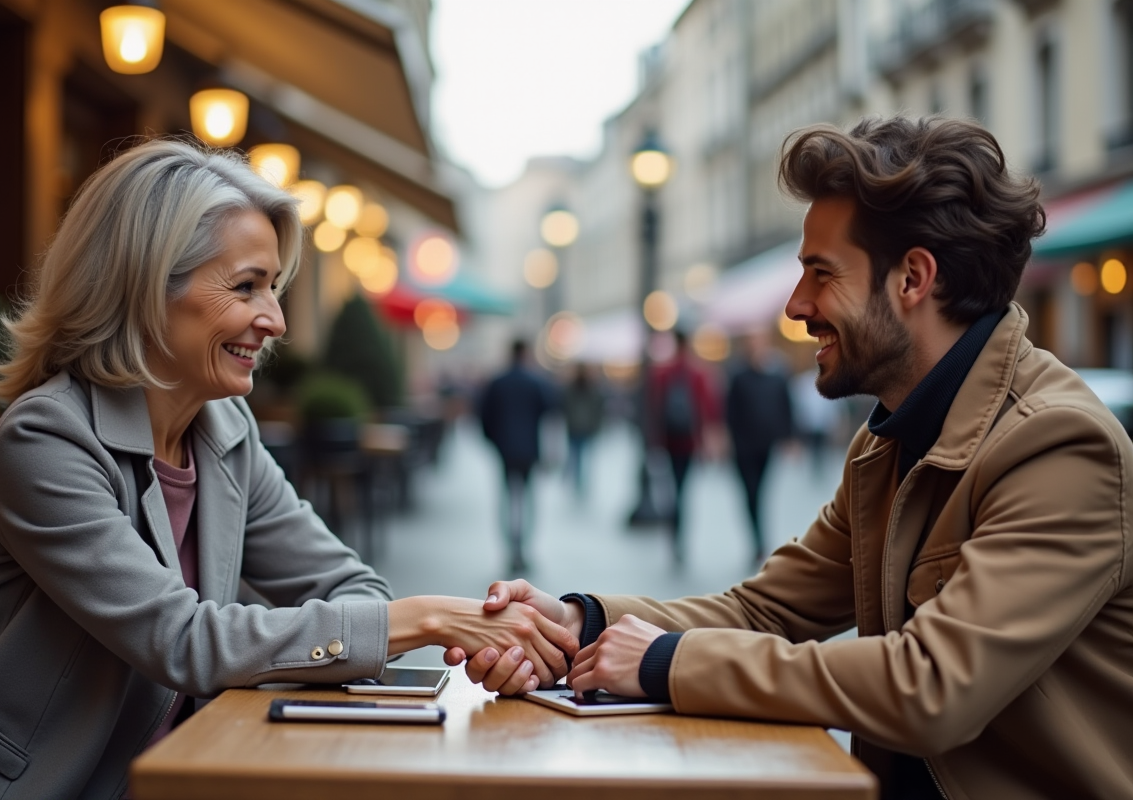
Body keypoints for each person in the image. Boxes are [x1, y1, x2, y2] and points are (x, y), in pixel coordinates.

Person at [452, 116, 1133, 799]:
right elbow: (765, 609)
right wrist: (580, 623)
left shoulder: (1060, 445)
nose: (795, 305)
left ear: (913, 278)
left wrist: (665, 661)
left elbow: (931, 686)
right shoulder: (887, 440)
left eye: (820, 273)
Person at [0, 140, 575, 800]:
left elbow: (346, 584)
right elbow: (181, 640)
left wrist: (447, 632)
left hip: (183, 769)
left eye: (273, 287)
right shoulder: (46, 438)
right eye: (246, 287)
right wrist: (433, 617)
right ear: (144, 288)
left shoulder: (223, 429)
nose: (275, 320)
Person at [476, 340, 556, 573]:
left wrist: (494, 442)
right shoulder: (536, 381)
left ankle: (511, 547)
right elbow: (550, 413)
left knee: (507, 498)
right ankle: (523, 546)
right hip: (529, 449)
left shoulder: (498, 382)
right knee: (528, 500)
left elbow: (483, 416)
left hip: (505, 449)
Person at [647, 329, 718, 560]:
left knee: (672, 488)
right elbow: (707, 408)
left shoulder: (662, 372)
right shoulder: (698, 372)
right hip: (688, 441)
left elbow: (653, 407)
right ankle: (679, 533)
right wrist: (707, 440)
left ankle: (674, 532)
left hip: (668, 439)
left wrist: (653, 439)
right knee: (683, 489)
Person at [724, 330, 793, 562]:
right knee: (750, 492)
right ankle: (757, 541)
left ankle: (760, 540)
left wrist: (789, 438)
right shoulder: (738, 376)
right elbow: (729, 411)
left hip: (766, 444)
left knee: (761, 492)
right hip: (743, 446)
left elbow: (785, 407)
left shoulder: (776, 375)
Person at [561, 364, 605, 496]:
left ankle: (576, 480)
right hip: (581, 427)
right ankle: (578, 481)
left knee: (576, 455)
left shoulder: (575, 389)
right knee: (579, 456)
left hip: (578, 427)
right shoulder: (589, 389)